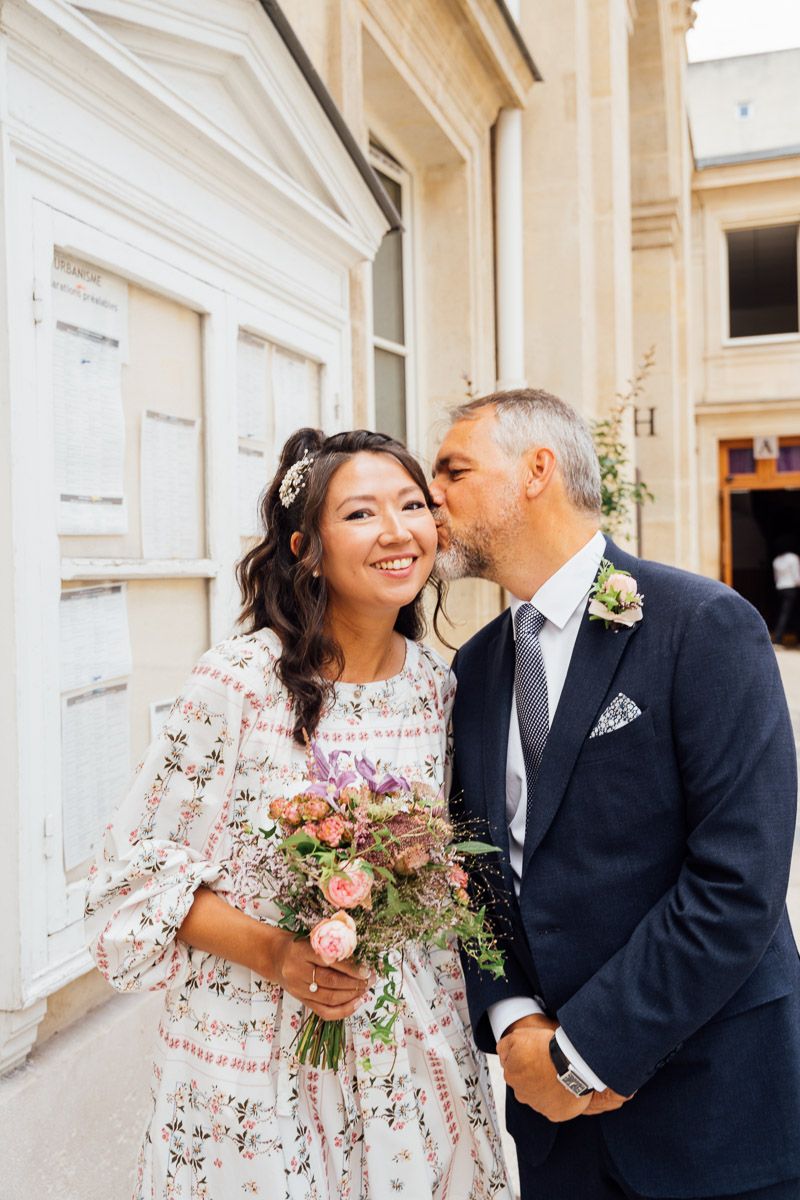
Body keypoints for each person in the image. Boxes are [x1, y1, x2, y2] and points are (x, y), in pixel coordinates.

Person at [86, 428, 512, 1200]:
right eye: (359, 514)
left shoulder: (436, 688)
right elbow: (130, 873)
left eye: (412, 505)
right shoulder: (239, 683)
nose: (395, 531)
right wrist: (280, 955)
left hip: (402, 1045)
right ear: (305, 548)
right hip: (254, 1047)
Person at [430, 388, 800, 1200]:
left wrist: (584, 1050)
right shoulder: (477, 667)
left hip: (711, 1106)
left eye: (453, 470)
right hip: (554, 1130)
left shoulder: (704, 626)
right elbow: (476, 874)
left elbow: (738, 884)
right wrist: (515, 1022)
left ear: (537, 470)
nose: (433, 498)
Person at [772, 539, 800, 646]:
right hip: (791, 588)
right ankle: (778, 638)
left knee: (787, 613)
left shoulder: (776, 560)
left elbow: (776, 578)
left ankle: (781, 638)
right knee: (788, 614)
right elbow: (796, 576)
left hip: (780, 588)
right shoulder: (793, 558)